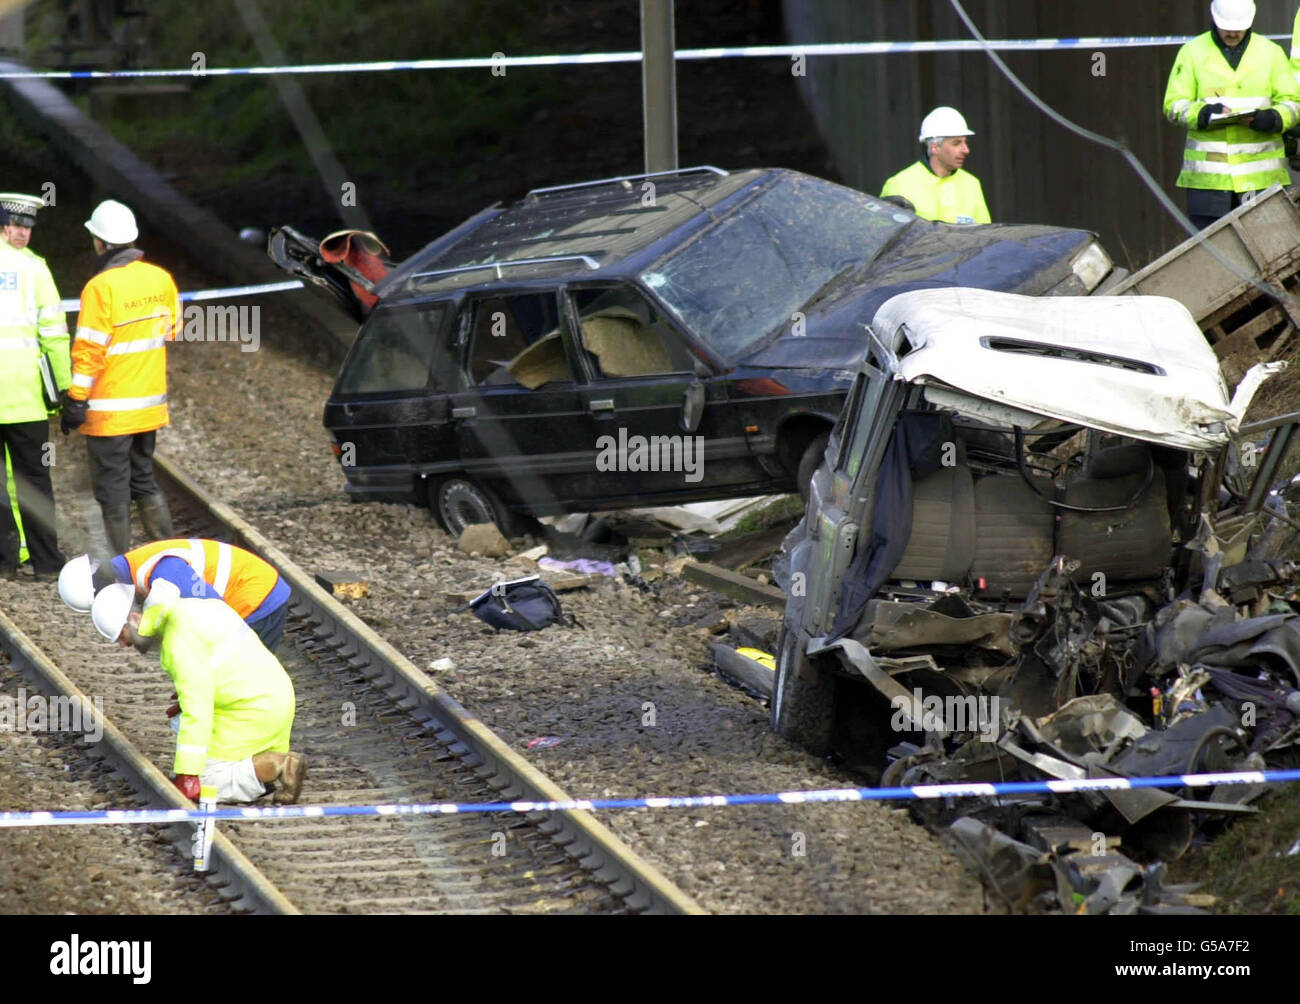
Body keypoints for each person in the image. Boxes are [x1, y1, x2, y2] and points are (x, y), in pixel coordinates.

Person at [91, 579, 305, 805]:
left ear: (134, 619)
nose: (124, 645)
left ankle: (276, 767)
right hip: (273, 698)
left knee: (207, 781)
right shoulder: (192, 606)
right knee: (179, 719)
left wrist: (188, 774)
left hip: (252, 712)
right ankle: (256, 768)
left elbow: (198, 708)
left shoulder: (177, 639)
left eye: (122, 636)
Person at [63, 200, 180, 555]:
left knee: (112, 489)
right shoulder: (160, 278)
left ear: (99, 242)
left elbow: (89, 352)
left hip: (110, 412)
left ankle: (122, 568)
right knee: (143, 478)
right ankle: (169, 556)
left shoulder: (100, 288)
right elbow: (172, 330)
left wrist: (75, 400)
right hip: (148, 409)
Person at [1163, 0, 1300, 229]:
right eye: (1227, 27)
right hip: (1209, 183)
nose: (1233, 33)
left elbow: (1294, 103)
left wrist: (1274, 118)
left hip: (1262, 181)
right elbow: (1174, 105)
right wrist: (1202, 113)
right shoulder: (1192, 53)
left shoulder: (1271, 54)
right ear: (1215, 19)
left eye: (1239, 27)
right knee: (1212, 259)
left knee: (1271, 257)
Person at [0, 193, 71, 579]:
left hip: (22, 401)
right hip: (27, 403)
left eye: (28, 226)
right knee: (37, 483)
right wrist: (68, 389)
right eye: (17, 224)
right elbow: (55, 336)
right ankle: (46, 563)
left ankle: (4, 563)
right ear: (3, 223)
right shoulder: (36, 270)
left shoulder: (35, 266)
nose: (23, 232)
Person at [58, 537, 293, 652]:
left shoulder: (161, 571)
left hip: (256, 598)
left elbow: (216, 613)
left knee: (244, 684)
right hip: (250, 592)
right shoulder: (136, 567)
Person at [880, 106, 991, 225]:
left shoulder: (971, 184)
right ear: (934, 147)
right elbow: (883, 236)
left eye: (965, 142)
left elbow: (986, 237)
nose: (966, 150)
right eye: (956, 143)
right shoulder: (899, 185)